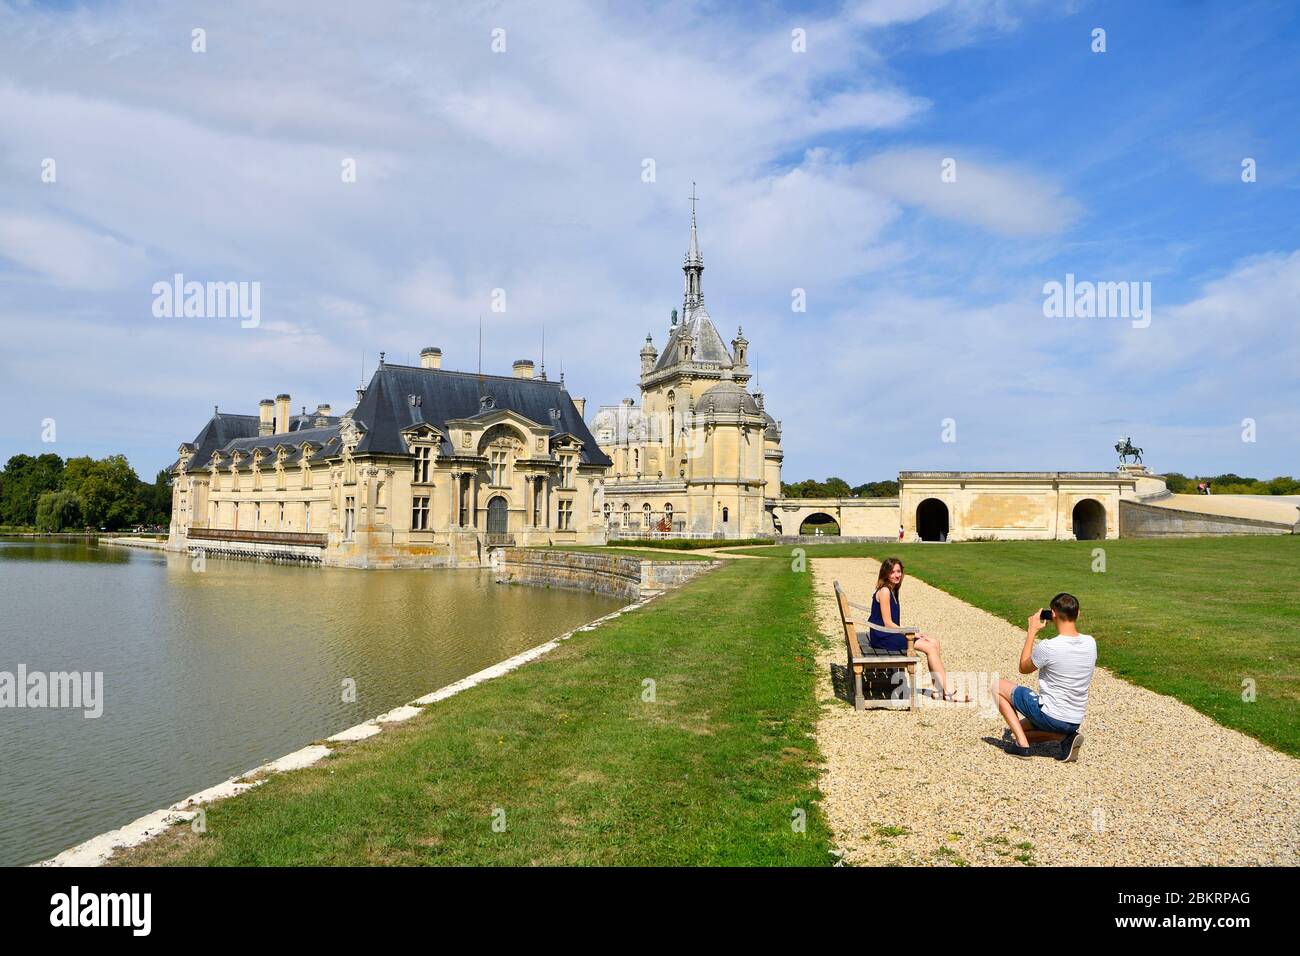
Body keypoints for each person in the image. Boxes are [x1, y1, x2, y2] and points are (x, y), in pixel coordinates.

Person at [994, 593, 1095, 761]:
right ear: (1078, 614)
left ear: (1053, 614)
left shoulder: (1049, 646)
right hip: (1074, 719)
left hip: (1052, 715)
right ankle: (1064, 737)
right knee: (1017, 729)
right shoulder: (1090, 642)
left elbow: (1024, 668)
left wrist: (1031, 631)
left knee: (997, 685)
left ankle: (1022, 747)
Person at [867, 558, 969, 701]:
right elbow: (888, 623)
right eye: (892, 572)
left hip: (889, 633)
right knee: (930, 648)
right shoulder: (884, 591)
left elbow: (893, 622)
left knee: (934, 642)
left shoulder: (893, 589)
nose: (897, 575)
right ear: (885, 574)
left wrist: (913, 633)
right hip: (883, 636)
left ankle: (937, 690)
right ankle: (949, 691)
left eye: (899, 571)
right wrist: (911, 633)